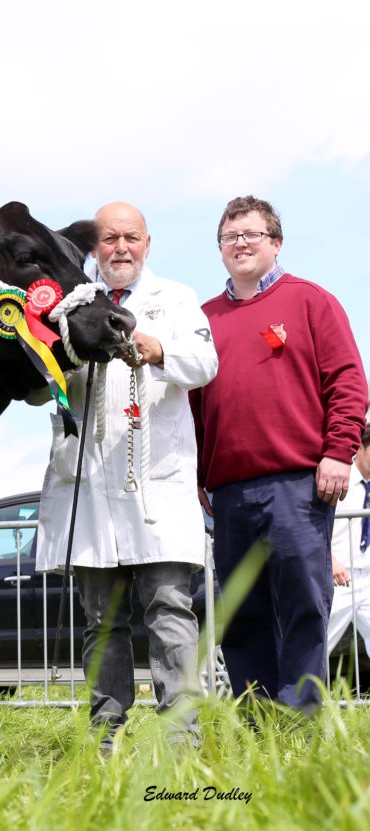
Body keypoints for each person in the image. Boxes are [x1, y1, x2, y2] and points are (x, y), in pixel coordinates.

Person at [35, 201, 218, 752]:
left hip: (156, 486)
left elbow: (206, 363)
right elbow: (36, 386)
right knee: (101, 622)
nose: (120, 248)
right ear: (94, 247)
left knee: (170, 611)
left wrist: (157, 348)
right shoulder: (71, 304)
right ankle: (105, 740)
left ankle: (181, 743)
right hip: (90, 487)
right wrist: (60, 354)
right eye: (109, 238)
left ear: (147, 242)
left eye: (130, 237)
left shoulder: (177, 299)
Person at [191, 195, 368, 715]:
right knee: (241, 612)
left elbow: (348, 382)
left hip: (298, 484)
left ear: (276, 242)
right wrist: (201, 475)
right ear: (220, 249)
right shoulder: (204, 319)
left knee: (303, 606)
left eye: (251, 234)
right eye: (229, 237)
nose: (240, 243)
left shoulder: (311, 301)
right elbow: (195, 408)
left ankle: (301, 721)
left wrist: (339, 452)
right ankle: (259, 722)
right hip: (229, 492)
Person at [327, 423, 370, 666]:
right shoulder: (337, 479)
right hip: (338, 576)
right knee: (318, 643)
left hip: (367, 574)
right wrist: (330, 560)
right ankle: (297, 700)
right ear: (361, 448)